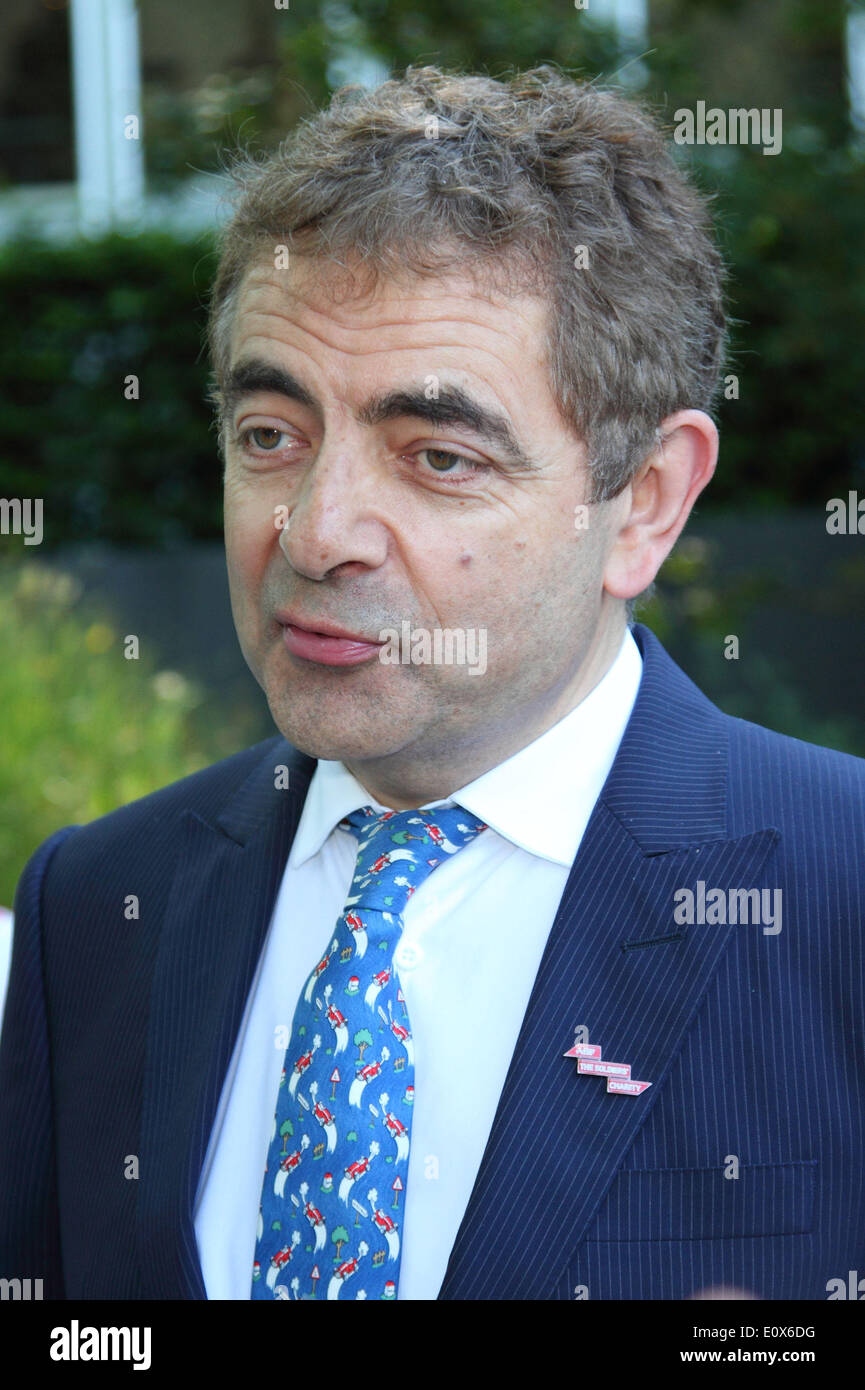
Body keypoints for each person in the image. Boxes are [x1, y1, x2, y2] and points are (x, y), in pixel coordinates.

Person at [1, 65, 862, 1302]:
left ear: (645, 503)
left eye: (438, 457)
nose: (314, 532)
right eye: (271, 436)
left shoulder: (840, 898)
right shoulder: (97, 907)